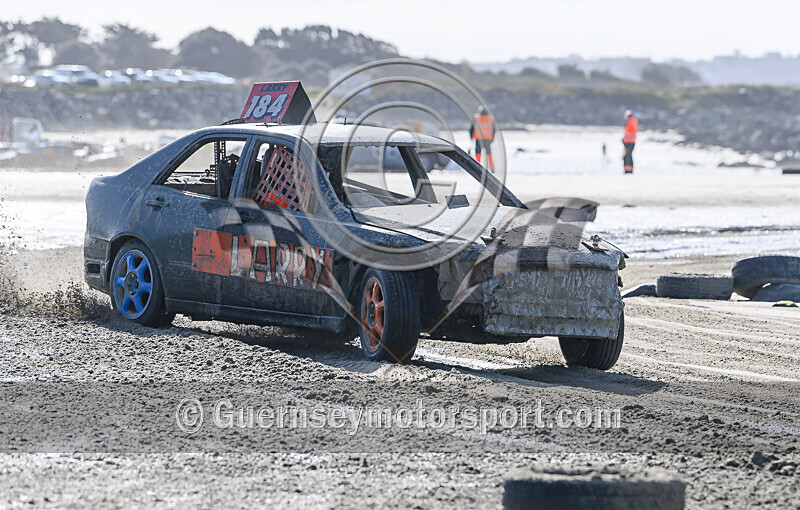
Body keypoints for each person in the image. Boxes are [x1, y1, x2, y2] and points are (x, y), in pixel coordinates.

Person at [470, 105, 495, 172]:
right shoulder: (491, 118)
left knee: (478, 152)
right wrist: (492, 139)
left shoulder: (476, 118)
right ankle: (492, 167)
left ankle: (478, 166)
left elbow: (472, 129)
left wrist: (471, 138)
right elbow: (493, 130)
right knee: (489, 153)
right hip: (487, 138)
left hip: (479, 138)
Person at [622, 109, 638, 173]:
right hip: (630, 141)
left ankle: (628, 170)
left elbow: (631, 132)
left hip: (629, 142)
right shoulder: (633, 121)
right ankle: (629, 169)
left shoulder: (631, 121)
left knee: (627, 156)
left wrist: (626, 139)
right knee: (628, 155)